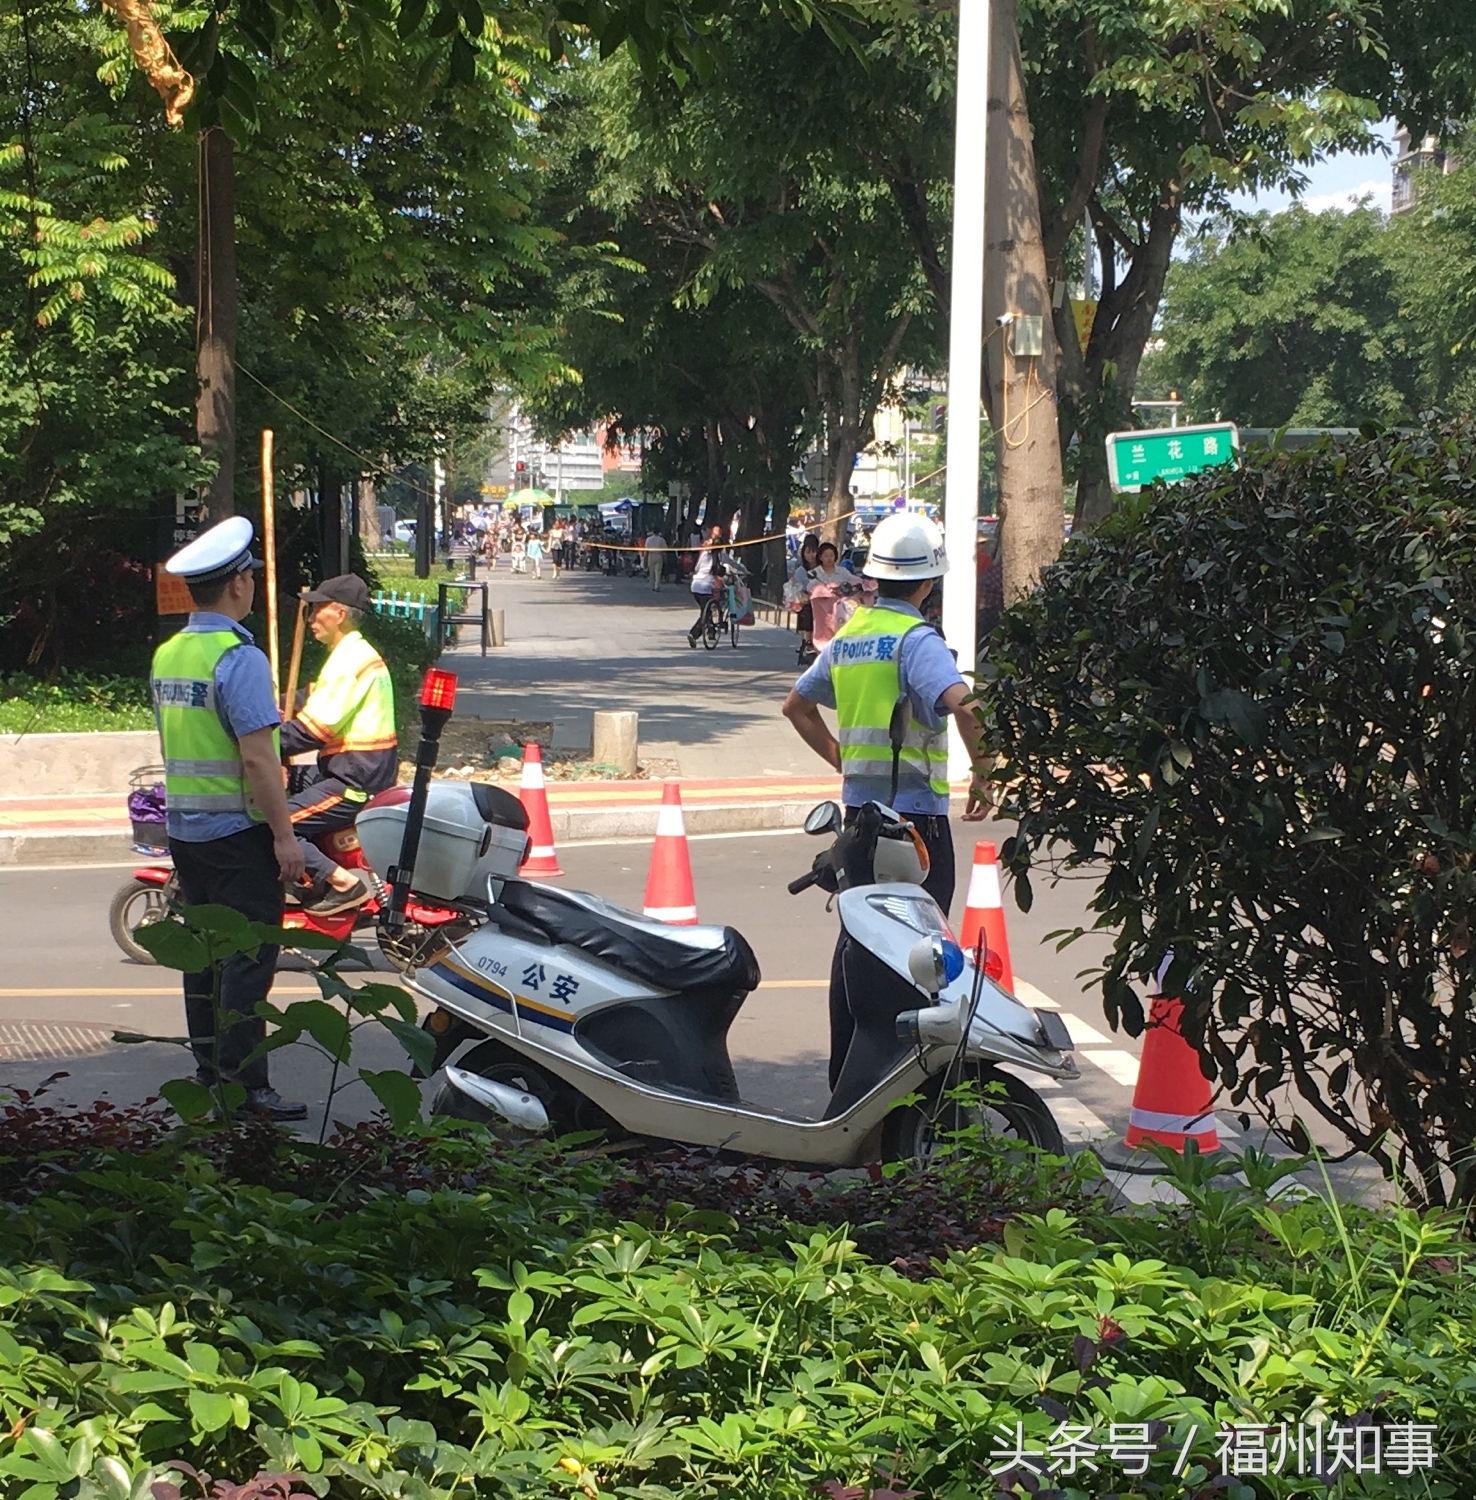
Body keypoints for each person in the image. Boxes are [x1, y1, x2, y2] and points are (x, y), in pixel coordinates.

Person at [780, 512, 992, 1087]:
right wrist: (986, 773)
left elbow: (796, 706)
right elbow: (965, 705)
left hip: (858, 823)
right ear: (929, 582)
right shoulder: (916, 641)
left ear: (875, 575)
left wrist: (842, 760)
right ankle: (911, 1085)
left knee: (858, 943)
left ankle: (847, 1077)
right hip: (915, 825)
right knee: (923, 952)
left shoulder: (850, 637)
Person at [150, 517, 307, 1121]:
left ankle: (211, 1076)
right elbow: (258, 757)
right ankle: (245, 1090)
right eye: (251, 576)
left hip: (185, 832)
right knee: (246, 960)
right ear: (239, 584)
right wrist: (285, 836)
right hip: (239, 834)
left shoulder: (169, 654)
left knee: (203, 957)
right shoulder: (238, 658)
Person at [279, 574, 397, 914]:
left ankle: (343, 883)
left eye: (318, 610)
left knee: (273, 824)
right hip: (350, 770)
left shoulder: (351, 661)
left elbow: (312, 731)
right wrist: (274, 703)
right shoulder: (349, 654)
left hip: (354, 780)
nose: (311, 618)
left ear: (340, 614)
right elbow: (313, 696)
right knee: (284, 787)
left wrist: (262, 745)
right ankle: (307, 881)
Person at [686, 524, 725, 646]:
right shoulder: (720, 556)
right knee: (707, 613)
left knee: (705, 610)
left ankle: (710, 630)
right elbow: (729, 565)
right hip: (707, 586)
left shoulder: (704, 554)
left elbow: (697, 567)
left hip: (695, 585)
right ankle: (694, 634)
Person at [788, 534, 821, 663]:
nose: (811, 555)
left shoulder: (823, 569)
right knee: (808, 610)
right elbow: (797, 590)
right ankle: (808, 641)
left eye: (814, 551)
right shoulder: (800, 571)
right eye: (808, 552)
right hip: (808, 602)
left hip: (824, 601)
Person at [644, 527, 667, 591]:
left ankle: (652, 585)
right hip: (659, 555)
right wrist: (665, 557)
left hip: (651, 555)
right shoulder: (662, 540)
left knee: (651, 571)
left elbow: (646, 550)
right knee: (658, 572)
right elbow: (664, 550)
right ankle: (657, 586)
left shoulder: (649, 539)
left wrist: (645, 558)